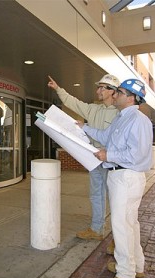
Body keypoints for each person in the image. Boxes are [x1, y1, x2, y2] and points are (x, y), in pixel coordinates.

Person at [78, 79, 153, 278]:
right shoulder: (121, 118)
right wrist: (84, 127)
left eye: (119, 92)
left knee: (121, 226)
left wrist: (108, 155)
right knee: (130, 224)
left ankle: (125, 276)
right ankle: (135, 266)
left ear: (131, 97)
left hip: (127, 177)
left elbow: (137, 154)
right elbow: (104, 136)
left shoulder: (139, 120)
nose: (115, 95)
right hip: (119, 176)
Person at [48, 74, 119, 242]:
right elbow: (72, 102)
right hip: (94, 159)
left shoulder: (120, 112)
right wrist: (58, 89)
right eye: (99, 87)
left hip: (113, 161)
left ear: (112, 91)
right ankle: (97, 229)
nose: (98, 90)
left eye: (102, 87)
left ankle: (118, 240)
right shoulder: (93, 109)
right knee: (96, 195)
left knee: (116, 199)